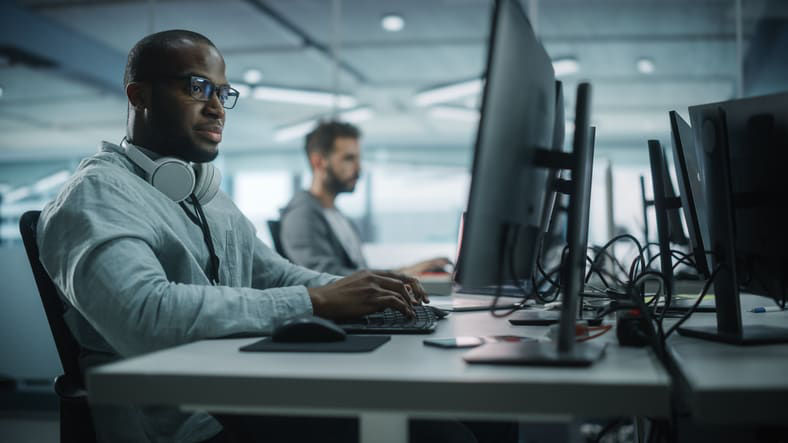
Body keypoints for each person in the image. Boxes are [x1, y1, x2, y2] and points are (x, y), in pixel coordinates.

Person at [36, 30, 427, 443]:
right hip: (182, 425)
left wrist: (370, 292)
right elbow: (146, 314)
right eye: (197, 87)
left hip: (237, 398)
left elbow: (275, 275)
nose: (217, 108)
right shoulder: (96, 195)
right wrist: (317, 301)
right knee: (433, 432)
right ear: (139, 96)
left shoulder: (206, 194)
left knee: (429, 419)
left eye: (223, 93)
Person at [280, 121, 451, 276]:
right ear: (318, 162)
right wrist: (403, 274)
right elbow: (327, 279)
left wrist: (409, 271)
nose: (358, 168)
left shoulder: (337, 215)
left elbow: (359, 273)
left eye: (358, 158)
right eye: (349, 159)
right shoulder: (302, 215)